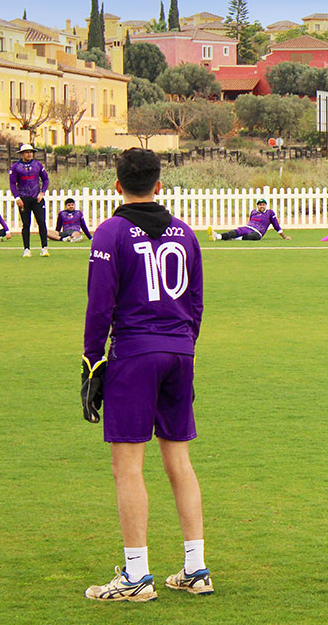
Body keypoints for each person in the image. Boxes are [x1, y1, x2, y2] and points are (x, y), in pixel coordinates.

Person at [81, 148, 212, 601]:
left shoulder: (110, 232)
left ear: (117, 185)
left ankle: (136, 575)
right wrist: (184, 348)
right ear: (160, 184)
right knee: (179, 460)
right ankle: (195, 568)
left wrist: (91, 361)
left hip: (135, 355)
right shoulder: (186, 233)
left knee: (128, 467)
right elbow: (195, 302)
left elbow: (100, 304)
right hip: (180, 353)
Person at [9, 143, 49, 257]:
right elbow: (12, 183)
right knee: (26, 224)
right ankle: (27, 249)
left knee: (41, 222)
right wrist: (17, 197)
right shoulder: (16, 167)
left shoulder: (38, 165)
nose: (29, 154)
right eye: (27, 152)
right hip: (24, 198)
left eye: (31, 152)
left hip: (37, 198)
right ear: (22, 154)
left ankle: (44, 248)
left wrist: (42, 192)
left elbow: (45, 179)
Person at [207, 198, 290, 242]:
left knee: (253, 237)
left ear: (266, 205)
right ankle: (217, 236)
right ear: (257, 206)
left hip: (258, 232)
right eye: (260, 205)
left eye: (263, 205)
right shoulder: (253, 212)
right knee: (234, 232)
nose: (262, 206)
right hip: (248, 227)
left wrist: (284, 237)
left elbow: (276, 226)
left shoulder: (270, 213)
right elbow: (250, 221)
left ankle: (235, 238)